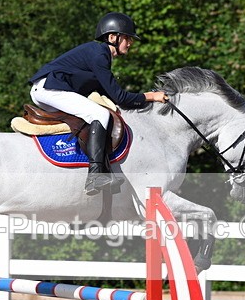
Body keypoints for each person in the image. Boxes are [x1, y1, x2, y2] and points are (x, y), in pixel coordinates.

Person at [29, 12, 169, 195]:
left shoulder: (98, 55)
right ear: (112, 37)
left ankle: (104, 169)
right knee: (100, 114)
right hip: (50, 89)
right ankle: (95, 175)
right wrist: (151, 96)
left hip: (49, 89)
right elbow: (120, 97)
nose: (130, 43)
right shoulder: (99, 55)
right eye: (127, 38)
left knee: (97, 113)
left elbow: (112, 96)